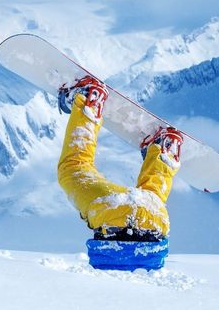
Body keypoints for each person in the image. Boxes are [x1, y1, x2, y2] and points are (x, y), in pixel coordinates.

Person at [57, 75, 183, 242]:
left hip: (155, 219)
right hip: (110, 210)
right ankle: (88, 100)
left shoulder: (149, 269)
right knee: (73, 168)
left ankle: (165, 150)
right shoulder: (104, 266)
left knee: (150, 198)